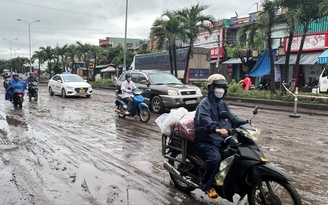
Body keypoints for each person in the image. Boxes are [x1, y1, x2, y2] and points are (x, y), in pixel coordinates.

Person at [194, 74, 247, 200]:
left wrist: (244, 123)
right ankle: (206, 185)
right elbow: (205, 120)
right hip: (208, 138)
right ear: (211, 88)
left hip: (223, 137)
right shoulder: (204, 105)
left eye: (223, 88)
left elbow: (231, 116)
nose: (220, 90)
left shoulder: (223, 104)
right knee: (215, 160)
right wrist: (216, 128)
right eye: (218, 87)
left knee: (241, 151)